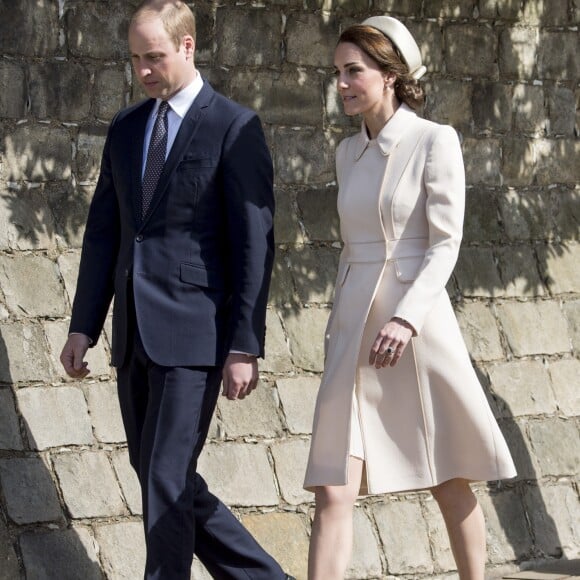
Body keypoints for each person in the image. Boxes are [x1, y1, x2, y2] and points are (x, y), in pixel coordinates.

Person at [59, 1, 294, 579]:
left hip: (196, 336)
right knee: (164, 479)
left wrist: (245, 344)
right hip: (134, 333)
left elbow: (253, 245)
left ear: (188, 47)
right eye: (136, 59)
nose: (143, 70)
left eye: (154, 57)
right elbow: (105, 234)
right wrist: (83, 325)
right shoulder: (126, 127)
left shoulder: (234, 126)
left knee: (165, 478)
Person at [304, 15, 517, 580]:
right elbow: (352, 251)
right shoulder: (347, 153)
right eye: (337, 73)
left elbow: (445, 245)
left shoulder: (433, 141)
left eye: (354, 71)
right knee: (332, 485)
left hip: (414, 329)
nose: (343, 83)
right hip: (353, 329)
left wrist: (405, 319)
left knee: (449, 476)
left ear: (391, 74)